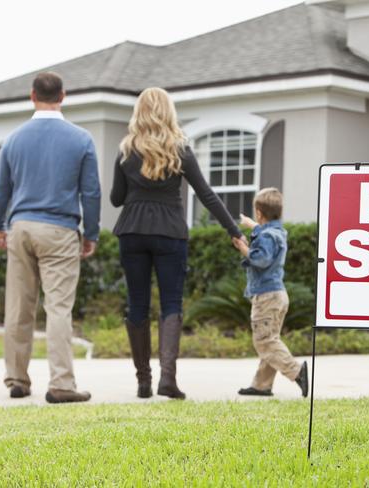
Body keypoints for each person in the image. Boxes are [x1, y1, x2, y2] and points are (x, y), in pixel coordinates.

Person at [110, 87, 244, 400]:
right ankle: (167, 380)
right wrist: (233, 231)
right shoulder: (179, 149)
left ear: (139, 113)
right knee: (171, 303)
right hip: (169, 231)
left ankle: (143, 382)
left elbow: (116, 199)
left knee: (137, 303)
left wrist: (136, 189)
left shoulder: (126, 150)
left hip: (132, 230)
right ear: (169, 112)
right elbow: (206, 194)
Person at [0, 71, 101, 404]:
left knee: (19, 307)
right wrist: (90, 233)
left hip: (20, 227)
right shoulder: (81, 139)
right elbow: (91, 192)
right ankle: (61, 383)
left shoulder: (14, 139)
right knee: (59, 308)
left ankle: (17, 380)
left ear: (32, 96)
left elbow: (0, 190)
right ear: (63, 96)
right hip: (60, 229)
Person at [232, 188, 309, 398]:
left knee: (264, 341)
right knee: (270, 338)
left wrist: (243, 247)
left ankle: (297, 372)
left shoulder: (266, 235)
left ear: (259, 212)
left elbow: (260, 259)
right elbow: (266, 237)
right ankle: (261, 385)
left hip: (266, 295)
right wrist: (253, 226)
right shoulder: (278, 232)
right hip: (277, 294)